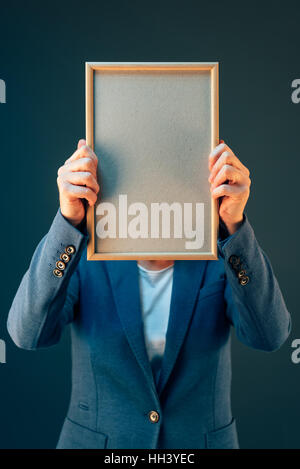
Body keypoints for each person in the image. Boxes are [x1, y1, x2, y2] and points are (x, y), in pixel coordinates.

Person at [7, 139, 291, 449]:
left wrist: (234, 226)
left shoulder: (221, 249)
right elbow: (27, 333)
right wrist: (68, 223)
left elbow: (270, 335)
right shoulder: (83, 249)